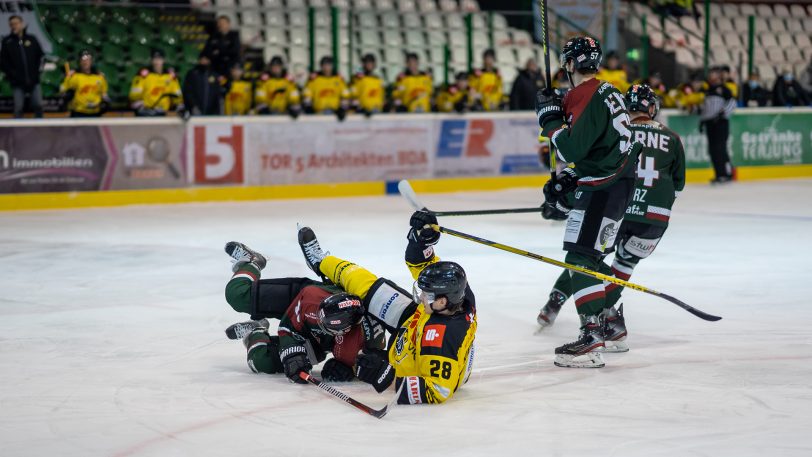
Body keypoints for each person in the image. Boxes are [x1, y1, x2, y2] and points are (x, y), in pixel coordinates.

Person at [538, 84, 686, 355]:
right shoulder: (672, 138)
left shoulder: (621, 132)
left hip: (619, 206)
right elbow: (678, 186)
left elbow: (597, 170)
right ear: (651, 108)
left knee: (586, 256)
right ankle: (611, 321)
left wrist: (566, 201)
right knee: (623, 264)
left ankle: (558, 302)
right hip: (654, 219)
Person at [535, 36, 640, 368]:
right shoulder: (607, 91)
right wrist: (570, 183)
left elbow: (569, 149)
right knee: (590, 258)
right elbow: (598, 144)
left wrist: (549, 119)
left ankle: (592, 334)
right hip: (616, 185)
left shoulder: (587, 94)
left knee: (578, 258)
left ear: (569, 64)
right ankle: (610, 323)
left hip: (602, 189)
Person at [297, 215, 477, 404]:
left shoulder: (440, 339)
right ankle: (321, 261)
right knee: (365, 284)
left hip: (411, 362)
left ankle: (354, 365)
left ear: (441, 302)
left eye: (427, 294)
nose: (421, 296)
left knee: (361, 362)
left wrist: (387, 378)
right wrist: (421, 240)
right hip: (415, 325)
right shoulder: (459, 294)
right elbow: (422, 264)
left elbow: (437, 390)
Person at [221, 241, 386, 382]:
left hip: (317, 341)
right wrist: (291, 351)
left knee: (261, 362)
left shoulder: (368, 338)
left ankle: (256, 330)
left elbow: (373, 366)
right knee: (236, 295)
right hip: (297, 299)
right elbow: (288, 325)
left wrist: (347, 370)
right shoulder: (313, 299)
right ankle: (253, 261)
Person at [1, 15, 44, 118]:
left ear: (22, 24)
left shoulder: (32, 39)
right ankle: (17, 133)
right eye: (11, 24)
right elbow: (3, 62)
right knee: (18, 108)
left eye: (16, 23)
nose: (13, 26)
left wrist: (36, 73)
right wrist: (13, 75)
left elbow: (41, 57)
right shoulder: (7, 41)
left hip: (34, 81)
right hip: (17, 82)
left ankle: (40, 129)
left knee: (38, 105)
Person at [700, 67, 736, 184]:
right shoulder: (707, 90)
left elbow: (732, 103)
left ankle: (727, 173)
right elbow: (705, 108)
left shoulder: (725, 89)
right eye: (711, 74)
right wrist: (702, 121)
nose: (712, 77)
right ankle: (719, 174)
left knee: (720, 149)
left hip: (721, 124)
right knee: (713, 150)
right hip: (710, 124)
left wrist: (722, 114)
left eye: (714, 74)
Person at [129, 50, 182, 116]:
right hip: (146, 112)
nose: (157, 62)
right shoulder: (143, 75)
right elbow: (134, 95)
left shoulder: (170, 76)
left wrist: (179, 104)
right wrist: (139, 103)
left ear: (163, 60)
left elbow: (177, 96)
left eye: (159, 59)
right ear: (151, 60)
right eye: (155, 59)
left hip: (164, 112)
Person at [58, 50, 110, 117]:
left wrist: (106, 102)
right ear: (79, 61)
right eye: (83, 59)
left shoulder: (99, 77)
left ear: (91, 61)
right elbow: (63, 90)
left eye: (88, 59)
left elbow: (104, 94)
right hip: (79, 112)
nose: (85, 62)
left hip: (95, 112)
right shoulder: (74, 76)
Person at [302, 56, 349, 120]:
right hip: (319, 113)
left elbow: (345, 95)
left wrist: (342, 109)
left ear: (332, 66)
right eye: (324, 65)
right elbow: (307, 95)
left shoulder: (338, 79)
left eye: (329, 65)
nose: (326, 67)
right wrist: (309, 108)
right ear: (321, 66)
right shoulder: (314, 80)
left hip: (335, 113)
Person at [181, 52, 222, 116]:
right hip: (195, 110)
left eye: (206, 59)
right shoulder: (192, 74)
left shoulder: (214, 75)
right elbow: (187, 91)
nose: (204, 61)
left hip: (211, 112)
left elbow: (217, 94)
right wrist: (193, 106)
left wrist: (217, 111)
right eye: (202, 59)